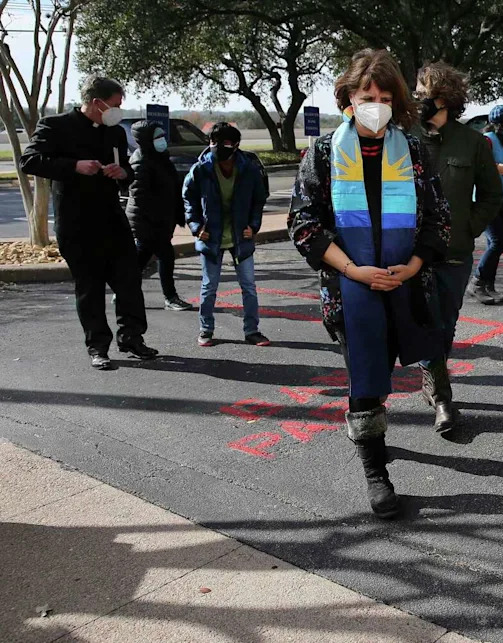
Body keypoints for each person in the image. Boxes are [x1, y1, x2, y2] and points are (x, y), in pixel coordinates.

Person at [288, 49, 451, 519]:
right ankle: (376, 470)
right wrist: (352, 270)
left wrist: (416, 262)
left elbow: (439, 218)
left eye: (383, 96)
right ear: (348, 98)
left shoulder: (413, 149)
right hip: (349, 286)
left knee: (399, 364)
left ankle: (377, 435)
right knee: (365, 378)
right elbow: (304, 224)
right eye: (366, 96)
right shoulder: (322, 154)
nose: (374, 104)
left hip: (406, 282)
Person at [19, 76, 158, 370]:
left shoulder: (115, 133)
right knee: (90, 287)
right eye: (116, 104)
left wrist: (123, 175)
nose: (119, 110)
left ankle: (132, 337)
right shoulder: (55, 126)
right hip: (77, 224)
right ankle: (98, 347)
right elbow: (29, 160)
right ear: (97, 103)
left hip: (112, 219)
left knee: (129, 281)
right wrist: (73, 166)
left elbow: (128, 174)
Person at [413, 61, 503, 432]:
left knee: (445, 324)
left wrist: (468, 227)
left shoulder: (472, 142)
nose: (418, 101)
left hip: (454, 253)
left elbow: (491, 195)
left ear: (445, 99)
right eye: (416, 94)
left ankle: (432, 378)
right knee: (425, 322)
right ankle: (443, 398)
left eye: (424, 95)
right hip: (411, 253)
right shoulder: (404, 137)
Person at [183, 122, 269, 347]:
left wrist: (254, 225)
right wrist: (196, 227)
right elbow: (188, 198)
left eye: (224, 143)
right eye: (213, 142)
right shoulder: (201, 169)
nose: (218, 147)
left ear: (236, 145)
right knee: (209, 286)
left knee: (248, 286)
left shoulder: (248, 168)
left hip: (241, 237)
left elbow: (259, 199)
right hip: (211, 237)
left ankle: (252, 331)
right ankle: (206, 330)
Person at [126, 120, 191, 312]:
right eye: (157, 137)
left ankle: (123, 291)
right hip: (148, 221)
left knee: (142, 256)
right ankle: (170, 297)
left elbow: (171, 187)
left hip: (161, 219)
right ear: (145, 140)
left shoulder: (161, 157)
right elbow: (141, 196)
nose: (162, 140)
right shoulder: (140, 162)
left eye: (163, 136)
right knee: (165, 256)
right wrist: (159, 220)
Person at [467, 105, 503, 304]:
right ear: (501, 122)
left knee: (494, 243)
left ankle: (488, 285)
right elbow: (476, 165)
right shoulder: (488, 139)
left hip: (500, 198)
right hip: (486, 198)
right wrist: (497, 168)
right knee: (498, 242)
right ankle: (477, 282)